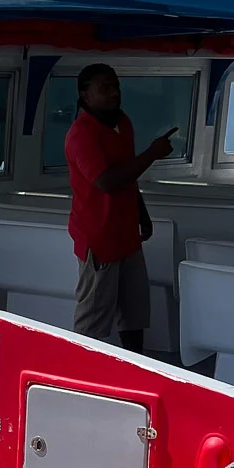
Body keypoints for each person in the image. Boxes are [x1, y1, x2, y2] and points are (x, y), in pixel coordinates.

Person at [63, 63, 173, 350]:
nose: (114, 93)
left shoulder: (123, 123)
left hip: (127, 236)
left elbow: (129, 174)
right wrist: (152, 153)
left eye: (116, 87)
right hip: (99, 239)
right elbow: (106, 182)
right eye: (105, 88)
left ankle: (137, 371)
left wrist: (142, 214)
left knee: (135, 313)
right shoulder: (81, 135)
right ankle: (83, 378)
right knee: (93, 320)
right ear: (85, 96)